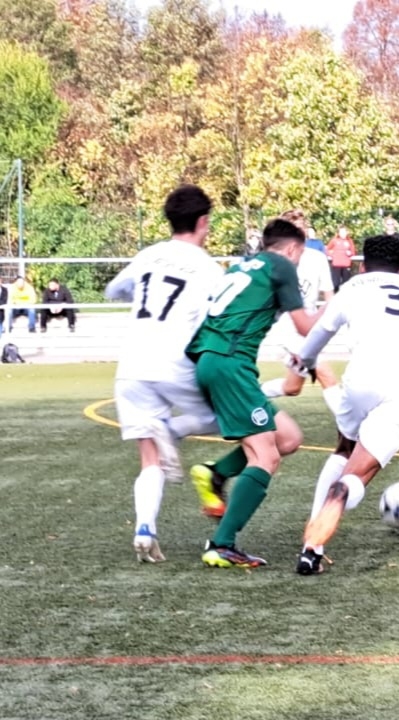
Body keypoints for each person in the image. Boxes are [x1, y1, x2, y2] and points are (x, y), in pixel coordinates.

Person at [292, 234, 399, 575]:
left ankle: (311, 549)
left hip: (360, 379)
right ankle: (339, 496)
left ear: (362, 266)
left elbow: (319, 332)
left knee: (344, 448)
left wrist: (304, 362)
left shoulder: (352, 287)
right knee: (356, 475)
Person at [186, 218, 322, 569]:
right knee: (266, 457)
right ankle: (221, 544)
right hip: (230, 364)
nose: (298, 262)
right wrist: (341, 306)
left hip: (212, 359)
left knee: (288, 438)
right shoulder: (281, 265)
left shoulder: (244, 265)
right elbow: (306, 326)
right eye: (300, 255)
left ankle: (216, 473)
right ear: (292, 249)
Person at [105, 184, 224, 563]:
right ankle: (172, 430)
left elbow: (113, 290)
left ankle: (145, 528)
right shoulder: (209, 268)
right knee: (225, 416)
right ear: (203, 221)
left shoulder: (148, 255)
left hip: (131, 365)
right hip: (174, 362)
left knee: (149, 459)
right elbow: (219, 317)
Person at [261, 208, 337, 400]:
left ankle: (252, 395)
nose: (300, 232)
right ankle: (349, 421)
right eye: (295, 228)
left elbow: (329, 296)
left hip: (310, 327)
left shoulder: (317, 258)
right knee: (327, 376)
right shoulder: (276, 261)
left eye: (302, 227)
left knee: (292, 387)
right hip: (287, 328)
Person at [326, 225, 356, 292]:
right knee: (335, 284)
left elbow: (353, 252)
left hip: (346, 265)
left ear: (346, 232)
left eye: (344, 232)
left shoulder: (349, 241)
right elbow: (327, 249)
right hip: (336, 265)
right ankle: (335, 296)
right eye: (341, 232)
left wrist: (350, 253)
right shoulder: (334, 240)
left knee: (346, 284)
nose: (343, 233)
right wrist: (332, 254)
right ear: (339, 233)